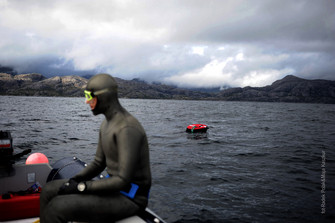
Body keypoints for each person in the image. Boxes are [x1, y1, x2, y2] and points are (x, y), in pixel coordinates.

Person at [40, 74, 152, 223]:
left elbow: (122, 181)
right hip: (113, 190)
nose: (87, 101)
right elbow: (98, 163)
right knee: (48, 191)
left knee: (57, 207)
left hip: (130, 198)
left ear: (104, 97)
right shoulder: (106, 125)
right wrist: (74, 180)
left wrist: (81, 187)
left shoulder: (127, 128)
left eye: (89, 96)